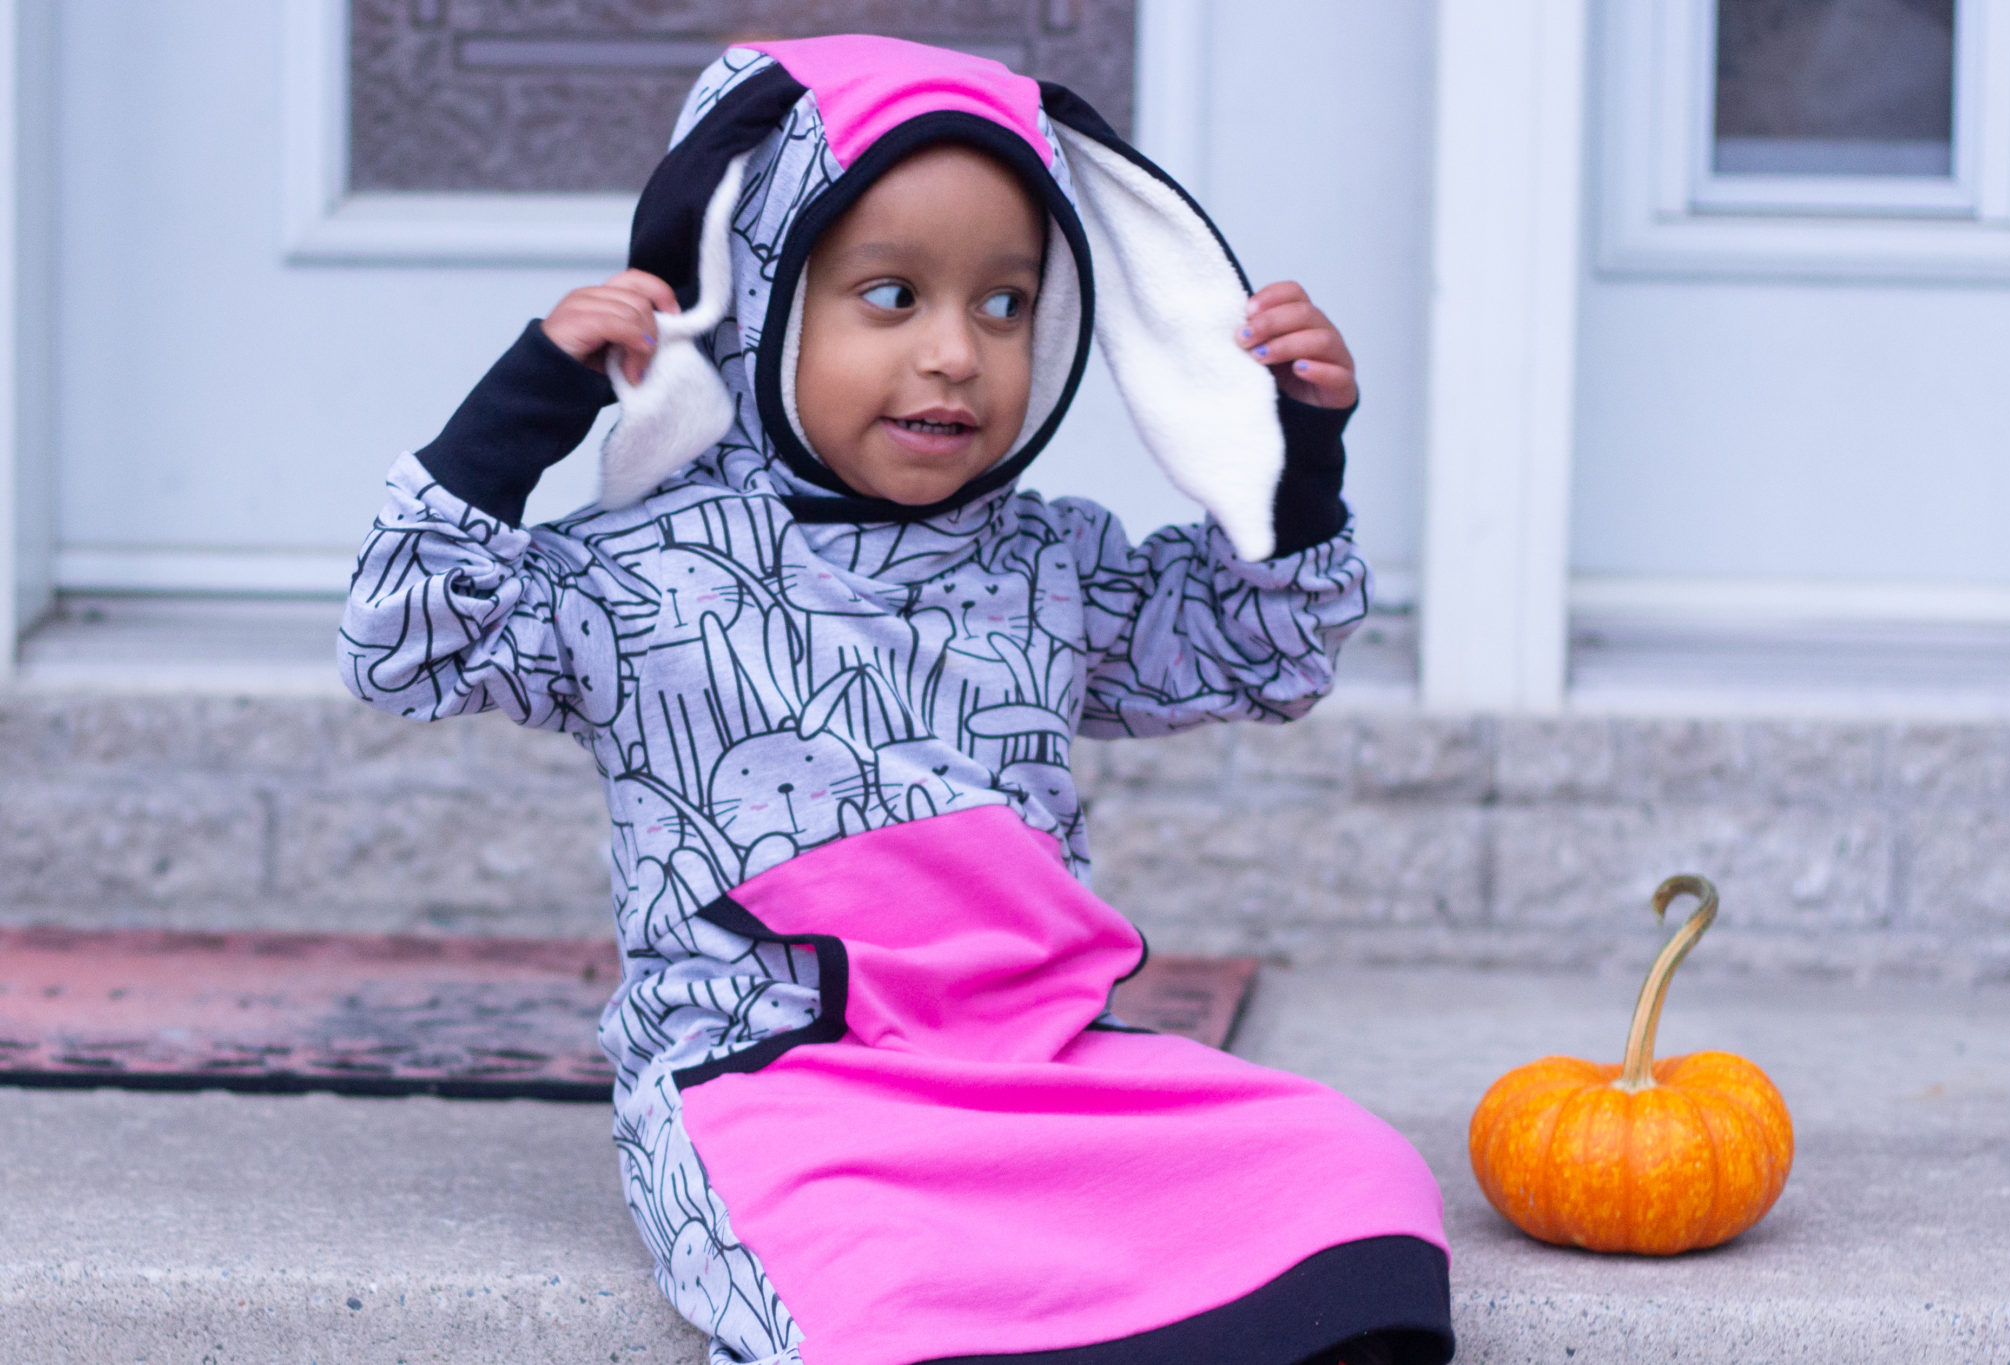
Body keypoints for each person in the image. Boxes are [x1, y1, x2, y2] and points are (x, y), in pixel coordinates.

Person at [339, 34, 1452, 1365]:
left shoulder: (1047, 561)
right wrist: (524, 408)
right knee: (872, 1275)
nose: (954, 355)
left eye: (1002, 305)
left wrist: (1297, 453)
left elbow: (1252, 650)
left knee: (1351, 1173)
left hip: (1045, 1066)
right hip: (781, 1089)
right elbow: (405, 643)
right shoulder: (635, 577)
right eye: (890, 295)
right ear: (761, 301)